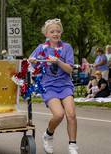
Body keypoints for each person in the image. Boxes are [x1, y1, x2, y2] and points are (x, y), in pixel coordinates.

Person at [29, 18, 78, 154]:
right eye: (52, 31)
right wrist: (32, 60)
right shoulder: (41, 48)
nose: (55, 33)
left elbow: (69, 69)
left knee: (71, 114)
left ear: (61, 32)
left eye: (58, 31)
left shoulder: (67, 48)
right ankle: (48, 135)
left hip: (65, 85)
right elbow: (29, 65)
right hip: (48, 85)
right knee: (58, 115)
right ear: (46, 34)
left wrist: (58, 61)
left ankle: (73, 145)